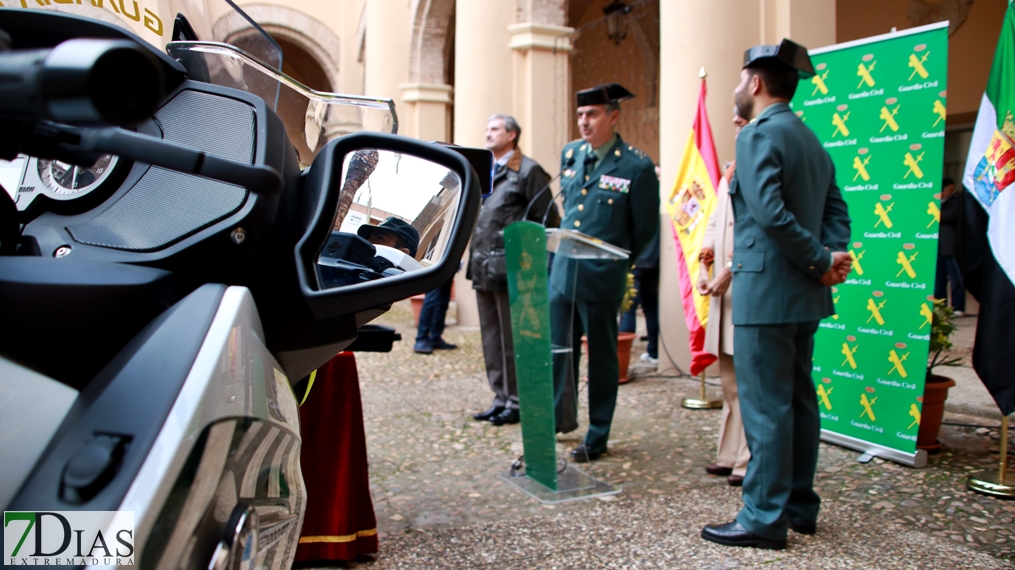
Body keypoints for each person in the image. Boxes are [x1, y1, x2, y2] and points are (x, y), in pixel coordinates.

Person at [700, 39, 852, 550]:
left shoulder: (757, 134)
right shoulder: (809, 136)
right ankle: (799, 506)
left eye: (742, 79)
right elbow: (836, 209)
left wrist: (818, 259)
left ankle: (763, 517)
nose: (738, 88)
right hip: (804, 292)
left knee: (767, 407)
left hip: (767, 290)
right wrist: (829, 257)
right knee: (799, 402)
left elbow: (767, 213)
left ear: (756, 83)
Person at [551, 83, 659, 462]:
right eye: (580, 115)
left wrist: (618, 264)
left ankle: (597, 435)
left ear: (613, 116)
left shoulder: (636, 166)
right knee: (559, 351)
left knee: (601, 358)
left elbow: (644, 229)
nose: (584, 122)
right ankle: (558, 419)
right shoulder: (571, 154)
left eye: (592, 114)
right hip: (563, 273)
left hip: (602, 277)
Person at [467, 114, 553, 426]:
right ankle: (500, 396)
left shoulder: (527, 171)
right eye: (486, 127)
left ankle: (517, 400)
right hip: (482, 265)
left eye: (494, 129)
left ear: (512, 135)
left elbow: (548, 220)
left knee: (511, 338)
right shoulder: (487, 170)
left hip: (512, 269)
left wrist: (527, 261)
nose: (487, 133)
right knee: (491, 338)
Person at [697, 111, 750, 487]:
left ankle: (749, 461)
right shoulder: (731, 168)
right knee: (729, 379)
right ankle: (730, 453)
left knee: (749, 381)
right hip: (723, 290)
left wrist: (728, 269)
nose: (739, 127)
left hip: (746, 285)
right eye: (736, 123)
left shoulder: (763, 167)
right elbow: (717, 220)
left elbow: (758, 230)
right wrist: (705, 260)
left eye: (745, 122)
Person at [935, 178, 966, 316]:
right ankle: (941, 307)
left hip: (952, 247)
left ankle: (958, 307)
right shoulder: (938, 203)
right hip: (939, 247)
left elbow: (949, 216)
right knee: (939, 281)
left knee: (956, 279)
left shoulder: (957, 202)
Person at [413, 278, 457, 354]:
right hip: (436, 267)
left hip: (449, 267)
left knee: (443, 299)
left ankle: (435, 338)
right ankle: (421, 339)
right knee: (431, 299)